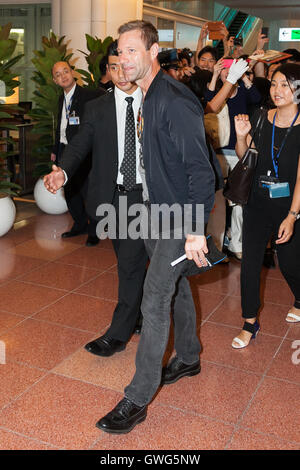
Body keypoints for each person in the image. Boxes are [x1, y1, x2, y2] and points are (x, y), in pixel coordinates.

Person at [96, 20, 216, 435]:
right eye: (120, 52)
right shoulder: (146, 96)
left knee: (154, 298)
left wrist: (195, 229)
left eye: (132, 51)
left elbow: (202, 172)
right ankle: (189, 356)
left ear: (153, 53)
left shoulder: (175, 100)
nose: (124, 59)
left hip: (178, 218)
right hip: (155, 211)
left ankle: (138, 396)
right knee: (177, 286)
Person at [44, 41, 148, 355]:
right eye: (113, 67)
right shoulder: (98, 107)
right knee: (130, 260)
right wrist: (62, 170)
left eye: (125, 66)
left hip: (149, 196)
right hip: (114, 196)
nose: (120, 73)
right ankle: (140, 315)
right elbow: (79, 145)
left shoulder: (155, 101)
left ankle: (118, 333)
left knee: (131, 266)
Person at [232, 63, 300, 349]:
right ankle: (250, 322)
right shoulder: (260, 117)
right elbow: (245, 158)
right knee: (249, 263)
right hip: (257, 202)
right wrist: (241, 136)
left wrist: (293, 216)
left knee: (289, 262)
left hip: (288, 206)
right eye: (274, 84)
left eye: (285, 84)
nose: (277, 90)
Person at [205, 59, 261, 260]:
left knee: (239, 200)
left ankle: (238, 243)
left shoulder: (243, 91)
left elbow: (257, 97)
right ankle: (217, 247)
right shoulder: (217, 93)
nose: (227, 72)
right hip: (217, 151)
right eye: (224, 69)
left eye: (231, 68)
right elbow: (208, 103)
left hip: (239, 150)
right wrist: (213, 76)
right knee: (218, 202)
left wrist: (244, 76)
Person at [51, 61, 105, 246]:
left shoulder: (89, 95)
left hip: (85, 152)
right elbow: (61, 126)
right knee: (71, 191)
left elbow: (107, 100)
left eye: (66, 71)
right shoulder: (61, 99)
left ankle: (94, 230)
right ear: (55, 80)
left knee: (89, 193)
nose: (63, 76)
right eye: (58, 74)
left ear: (72, 72)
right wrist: (55, 150)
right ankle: (80, 224)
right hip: (66, 151)